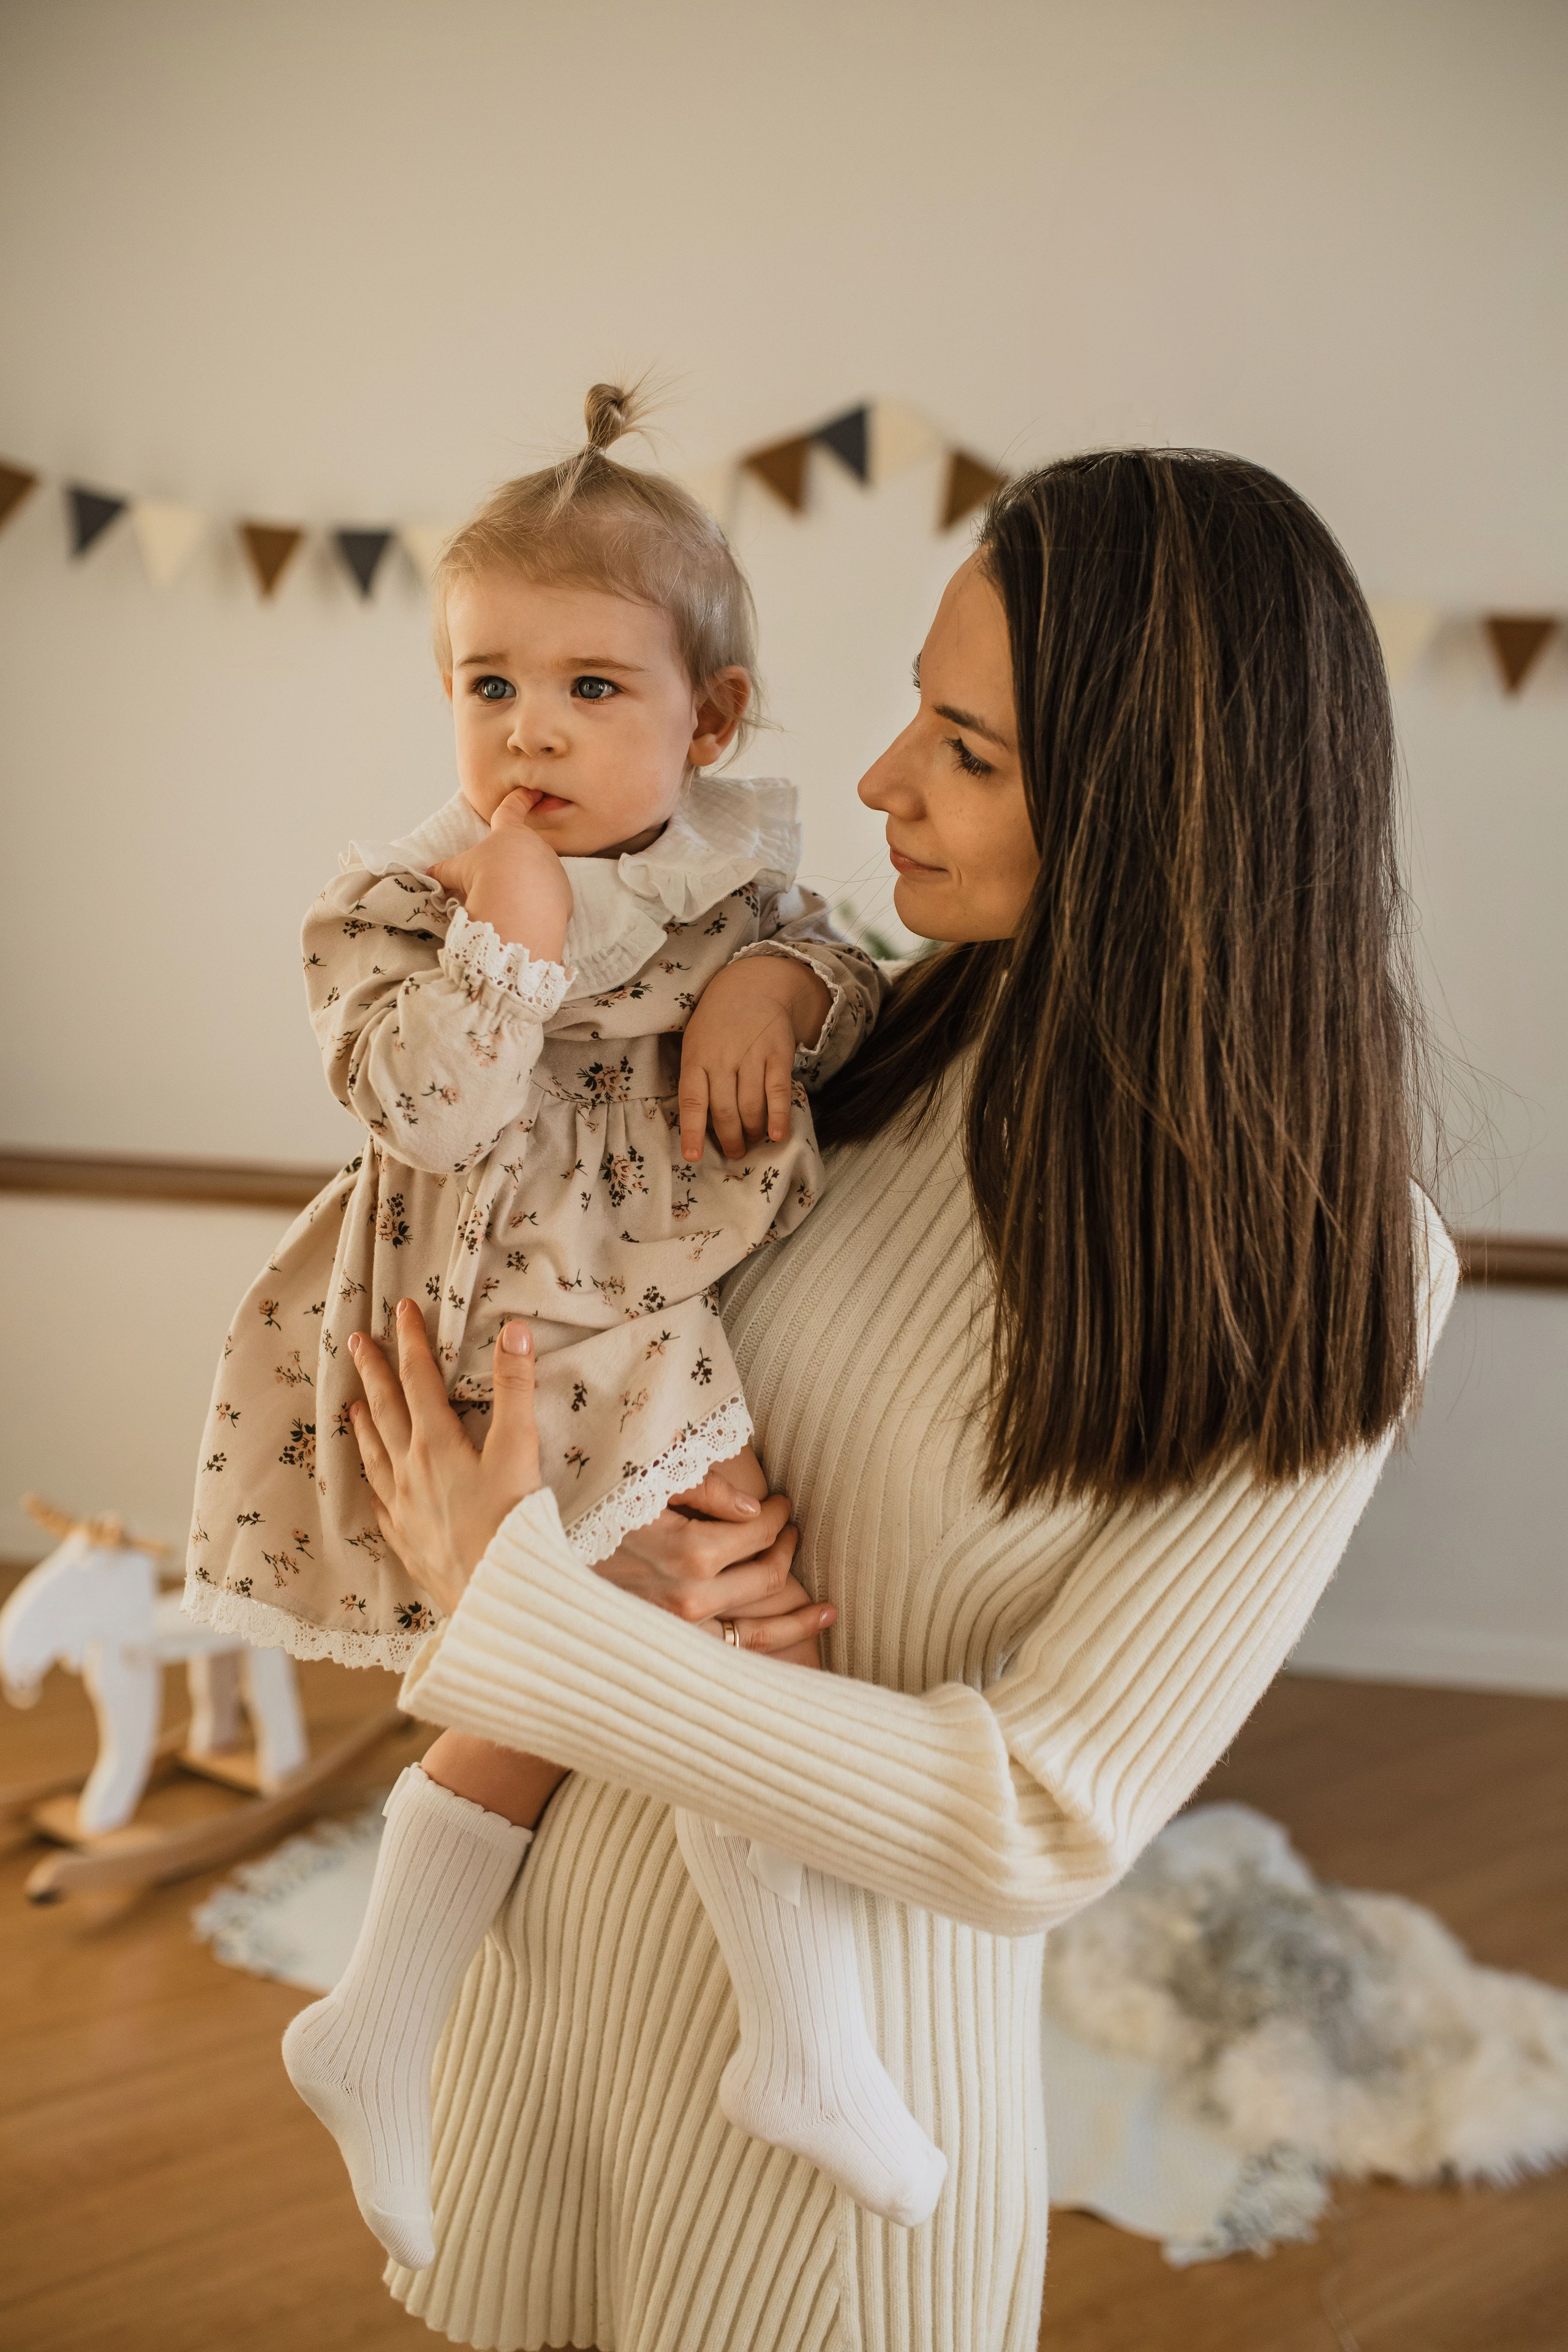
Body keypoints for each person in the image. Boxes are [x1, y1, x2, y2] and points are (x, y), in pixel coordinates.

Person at [339, 447, 1459, 2352]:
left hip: (817, 2177)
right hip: (534, 2038)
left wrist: (517, 1610)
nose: (877, 784)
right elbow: (526, 1407)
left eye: (969, 748)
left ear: (1158, 811)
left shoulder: (1325, 1263)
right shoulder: (823, 1046)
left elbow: (1037, 1817)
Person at [184, 385, 951, 2269]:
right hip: (495, 1345)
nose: (531, 730)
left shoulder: (737, 888)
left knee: (619, 1674)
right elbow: (427, 1112)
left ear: (712, 716)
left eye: (596, 689)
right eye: (489, 684)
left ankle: (377, 2025)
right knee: (726, 1631)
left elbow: (848, 969)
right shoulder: (399, 908)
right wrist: (505, 944)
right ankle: (800, 2042)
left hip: (638, 1323)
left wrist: (777, 981)